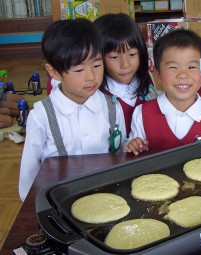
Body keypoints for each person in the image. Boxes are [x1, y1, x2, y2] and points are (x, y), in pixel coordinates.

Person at [19, 19, 126, 201]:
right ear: (54, 72)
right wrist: (33, 205)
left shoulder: (113, 107)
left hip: (105, 196)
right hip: (59, 200)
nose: (91, 76)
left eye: (97, 65)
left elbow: (120, 153)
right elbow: (30, 169)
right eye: (78, 70)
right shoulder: (41, 115)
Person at [124, 29, 201, 155]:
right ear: (158, 74)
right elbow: (134, 149)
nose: (183, 75)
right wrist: (134, 145)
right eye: (173, 67)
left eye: (191, 67)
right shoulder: (142, 113)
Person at [93, 13, 158, 137]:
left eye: (132, 54)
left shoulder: (147, 79)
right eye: (114, 57)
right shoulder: (95, 95)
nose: (125, 65)